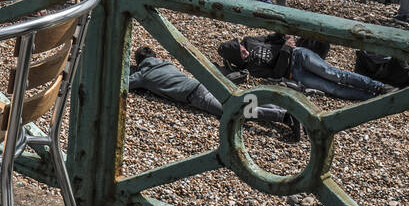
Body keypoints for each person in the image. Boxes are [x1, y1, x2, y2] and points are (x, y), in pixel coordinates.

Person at [130, 46, 296, 135]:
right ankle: (281, 107)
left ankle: (284, 116)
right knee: (241, 100)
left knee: (234, 111)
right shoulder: (165, 63)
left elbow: (126, 83)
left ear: (139, 62)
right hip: (203, 84)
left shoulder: (144, 75)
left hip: (195, 96)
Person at [218, 34, 392, 100]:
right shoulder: (252, 69)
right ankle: (371, 98)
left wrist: (284, 37)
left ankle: (379, 87)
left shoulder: (249, 41)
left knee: (334, 74)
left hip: (299, 55)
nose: (245, 52)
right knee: (332, 88)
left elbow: (273, 38)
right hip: (294, 73)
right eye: (241, 55)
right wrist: (286, 48)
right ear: (237, 60)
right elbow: (277, 73)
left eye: (242, 50)